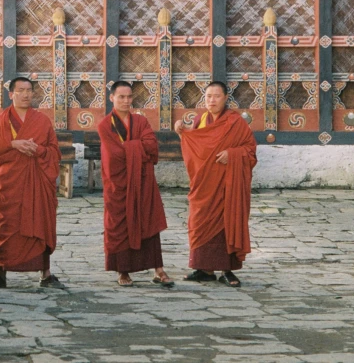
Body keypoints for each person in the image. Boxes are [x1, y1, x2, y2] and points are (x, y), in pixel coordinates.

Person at [174, 81, 257, 288]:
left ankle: (226, 270)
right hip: (203, 184)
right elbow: (196, 147)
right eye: (208, 96)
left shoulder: (235, 122)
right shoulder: (200, 120)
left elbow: (250, 150)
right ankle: (204, 269)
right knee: (200, 221)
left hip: (227, 185)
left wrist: (233, 154)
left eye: (216, 96)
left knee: (226, 221)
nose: (211, 100)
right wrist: (182, 131)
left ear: (226, 98)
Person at [0, 77, 65, 289]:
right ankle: (0, 272)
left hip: (36, 182)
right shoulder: (3, 119)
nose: (26, 94)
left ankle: (45, 273)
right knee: (6, 223)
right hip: (10, 182)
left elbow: (54, 151)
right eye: (21, 90)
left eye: (29, 90)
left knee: (39, 221)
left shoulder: (42, 120)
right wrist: (14, 143)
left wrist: (38, 150)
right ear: (11, 94)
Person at [97, 81, 173, 288]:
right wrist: (137, 148)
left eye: (129, 97)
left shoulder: (140, 121)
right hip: (118, 183)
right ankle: (123, 271)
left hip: (143, 181)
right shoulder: (105, 125)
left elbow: (151, 145)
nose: (126, 101)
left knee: (149, 222)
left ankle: (158, 269)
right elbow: (113, 155)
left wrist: (130, 147)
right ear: (111, 98)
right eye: (121, 97)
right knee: (119, 224)